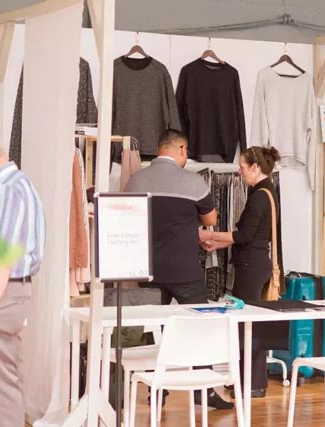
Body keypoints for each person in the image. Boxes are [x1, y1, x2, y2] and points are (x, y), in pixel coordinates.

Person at [124, 129, 233, 409]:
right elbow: (210, 219)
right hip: (185, 270)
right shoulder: (193, 182)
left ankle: (157, 390)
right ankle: (203, 391)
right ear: (182, 150)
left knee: (154, 330)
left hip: (147, 269)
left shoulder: (135, 180)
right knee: (199, 326)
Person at [0, 129, 45, 427]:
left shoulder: (7, 190)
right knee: (4, 383)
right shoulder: (17, 184)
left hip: (2, 295)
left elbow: (2, 258)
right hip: (8, 293)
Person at [199, 145, 284, 398]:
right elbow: (252, 237)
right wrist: (218, 243)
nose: (239, 171)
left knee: (246, 325)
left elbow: (244, 235)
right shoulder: (268, 192)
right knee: (251, 324)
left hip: (251, 267)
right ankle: (249, 381)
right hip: (257, 263)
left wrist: (209, 235)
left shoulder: (259, 196)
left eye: (243, 167)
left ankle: (250, 383)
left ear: (255, 167)